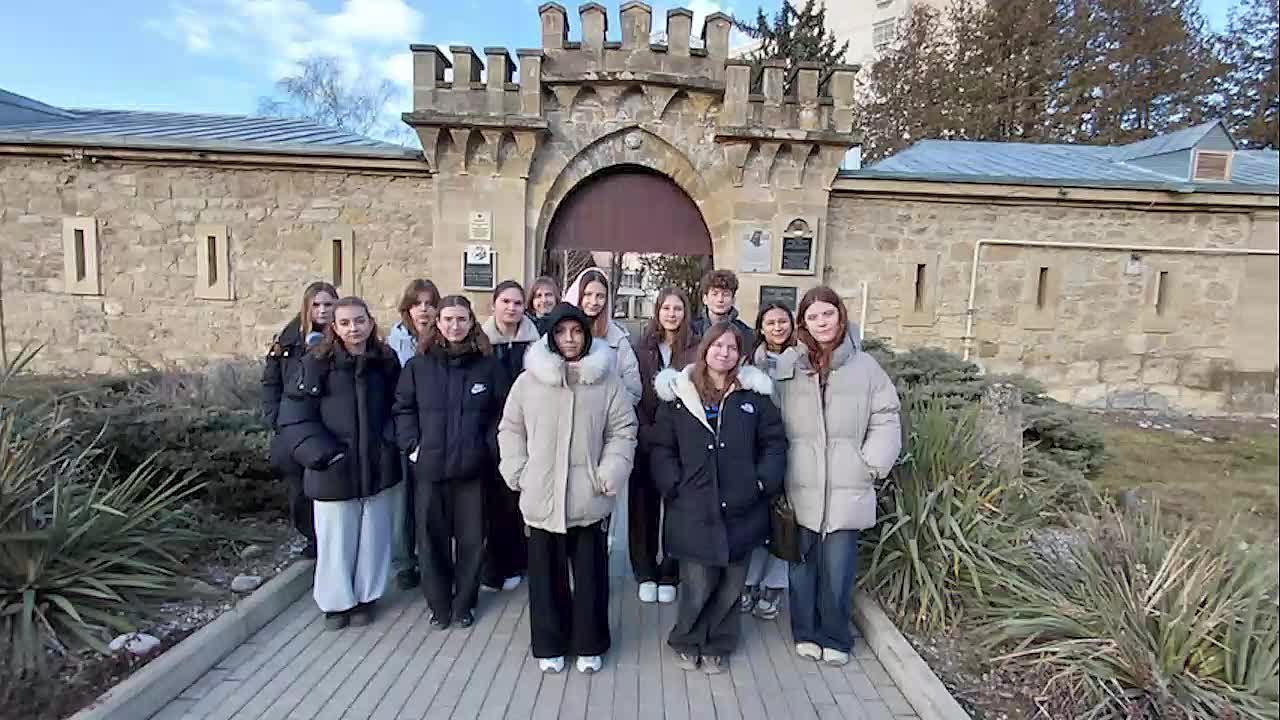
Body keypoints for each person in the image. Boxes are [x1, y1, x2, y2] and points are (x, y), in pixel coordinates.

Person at [497, 302, 637, 675]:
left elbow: (623, 430)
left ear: (587, 335)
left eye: (576, 331)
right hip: (541, 494)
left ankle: (590, 643)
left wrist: (610, 471)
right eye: (561, 332)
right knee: (545, 578)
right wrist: (518, 470)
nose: (569, 339)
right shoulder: (529, 381)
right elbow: (511, 428)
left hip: (589, 495)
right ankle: (550, 643)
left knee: (591, 577)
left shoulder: (606, 381)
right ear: (550, 337)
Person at [773, 286, 901, 666]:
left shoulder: (866, 368)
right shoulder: (790, 366)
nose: (821, 322)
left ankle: (835, 636)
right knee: (801, 567)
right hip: (800, 484)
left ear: (840, 316)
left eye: (827, 314)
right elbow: (771, 419)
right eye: (812, 317)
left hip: (847, 486)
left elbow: (886, 417)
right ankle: (805, 632)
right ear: (803, 323)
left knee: (838, 570)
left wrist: (871, 464)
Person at [649, 322, 787, 674]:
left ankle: (719, 643)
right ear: (705, 349)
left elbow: (773, 442)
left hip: (742, 506)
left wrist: (762, 482)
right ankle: (687, 639)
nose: (724, 353)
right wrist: (672, 483)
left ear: (740, 354)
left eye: (732, 347)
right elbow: (661, 446)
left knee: (731, 584)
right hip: (692, 506)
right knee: (698, 583)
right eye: (717, 345)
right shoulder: (680, 396)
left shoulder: (753, 397)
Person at [275, 296, 402, 630]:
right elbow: (295, 416)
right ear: (334, 327)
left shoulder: (386, 362)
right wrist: (323, 454)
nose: (353, 329)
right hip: (333, 467)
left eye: (359, 321)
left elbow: (400, 406)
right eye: (345, 323)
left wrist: (389, 443)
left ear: (370, 323)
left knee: (373, 537)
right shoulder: (315, 363)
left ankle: (366, 597)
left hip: (376, 464)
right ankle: (336, 602)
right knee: (336, 540)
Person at [393, 295, 502, 630]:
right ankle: (439, 605)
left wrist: (487, 448)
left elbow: (502, 414)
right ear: (438, 323)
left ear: (471, 323)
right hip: (430, 469)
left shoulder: (488, 366)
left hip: (472, 471)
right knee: (431, 542)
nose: (455, 326)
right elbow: (403, 409)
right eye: (449, 319)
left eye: (462, 319)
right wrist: (413, 446)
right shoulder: (419, 366)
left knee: (471, 542)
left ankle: (464, 604)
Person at [630, 287, 699, 605]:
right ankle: (645, 572)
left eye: (678, 308)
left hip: (680, 442)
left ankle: (670, 572)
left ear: (686, 313)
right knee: (641, 508)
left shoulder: (696, 348)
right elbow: (632, 391)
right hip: (645, 436)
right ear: (657, 311)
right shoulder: (641, 347)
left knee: (676, 508)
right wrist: (644, 430)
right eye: (666, 308)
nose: (672, 314)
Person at [262, 280, 337, 559]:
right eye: (316, 305)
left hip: (328, 425)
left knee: (327, 487)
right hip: (293, 427)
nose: (322, 310)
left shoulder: (342, 338)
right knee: (299, 491)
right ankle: (311, 537)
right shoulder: (288, 340)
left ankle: (329, 541)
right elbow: (271, 382)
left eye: (328, 304)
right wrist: (276, 418)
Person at [739, 301, 800, 620]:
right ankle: (749, 581)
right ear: (760, 328)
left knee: (784, 519)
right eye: (771, 322)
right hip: (759, 449)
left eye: (783, 321)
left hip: (798, 446)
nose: (777, 327)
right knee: (757, 517)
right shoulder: (750, 363)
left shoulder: (805, 359)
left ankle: (775, 584)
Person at [479, 280, 539, 592]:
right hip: (489, 430)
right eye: (506, 302)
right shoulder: (481, 341)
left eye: (517, 303)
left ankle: (519, 562)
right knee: (492, 504)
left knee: (519, 500)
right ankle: (494, 567)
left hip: (527, 430)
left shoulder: (535, 341)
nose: (512, 308)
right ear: (494, 304)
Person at [384, 278, 441, 592]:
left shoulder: (441, 341)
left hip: (435, 430)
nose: (424, 310)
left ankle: (430, 557)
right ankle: (405, 562)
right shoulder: (393, 346)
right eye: (418, 304)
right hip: (404, 430)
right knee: (403, 502)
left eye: (430, 303)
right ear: (407, 308)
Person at [563, 267, 642, 406]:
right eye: (588, 294)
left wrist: (610, 410)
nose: (594, 302)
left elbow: (633, 390)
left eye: (600, 296)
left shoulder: (618, 340)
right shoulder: (561, 334)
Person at [691, 269, 754, 349]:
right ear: (705, 299)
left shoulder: (745, 333)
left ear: (733, 300)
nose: (720, 299)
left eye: (725, 294)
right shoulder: (692, 331)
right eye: (715, 294)